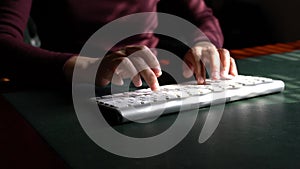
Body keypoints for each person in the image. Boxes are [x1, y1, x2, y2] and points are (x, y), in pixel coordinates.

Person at [0, 0, 238, 91]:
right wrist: (91, 66)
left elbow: (204, 17)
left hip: (153, 84)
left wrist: (203, 44)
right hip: (72, 88)